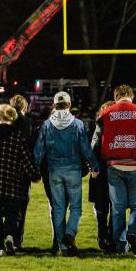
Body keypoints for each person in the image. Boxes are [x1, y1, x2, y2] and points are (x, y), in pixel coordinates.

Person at [33, 91, 98, 256]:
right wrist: (94, 166)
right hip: (73, 170)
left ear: (54, 105)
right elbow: (85, 149)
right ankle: (70, 234)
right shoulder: (77, 124)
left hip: (54, 171)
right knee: (76, 208)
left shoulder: (47, 124)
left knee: (58, 208)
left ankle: (62, 246)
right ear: (69, 105)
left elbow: (39, 150)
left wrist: (35, 169)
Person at [0, 103, 41, 257]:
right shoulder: (18, 135)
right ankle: (9, 235)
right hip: (13, 183)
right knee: (13, 215)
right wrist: (35, 175)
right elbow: (25, 159)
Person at [99, 85, 136, 255]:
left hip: (114, 163)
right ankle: (133, 232)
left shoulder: (106, 113)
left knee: (118, 208)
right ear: (131, 96)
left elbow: (100, 137)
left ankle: (120, 246)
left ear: (116, 97)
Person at [9, 94, 35, 249]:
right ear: (25, 107)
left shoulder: (6, 120)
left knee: (5, 205)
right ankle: (17, 240)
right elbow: (31, 146)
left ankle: (6, 235)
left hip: (6, 168)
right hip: (23, 170)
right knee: (21, 206)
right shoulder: (28, 123)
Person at [89, 100, 115, 251]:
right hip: (113, 167)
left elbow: (93, 146)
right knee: (114, 204)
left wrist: (92, 166)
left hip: (100, 169)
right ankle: (110, 236)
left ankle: (102, 234)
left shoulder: (99, 124)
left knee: (101, 206)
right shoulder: (115, 125)